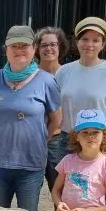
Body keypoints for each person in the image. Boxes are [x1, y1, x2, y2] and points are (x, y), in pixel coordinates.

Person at [0, 25, 61, 211]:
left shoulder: (46, 81)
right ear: (6, 49)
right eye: (14, 46)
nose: (19, 50)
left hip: (30, 164)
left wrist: (40, 139)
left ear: (34, 49)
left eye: (24, 45)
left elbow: (57, 120)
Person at [54, 16, 106, 160]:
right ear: (77, 42)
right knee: (63, 182)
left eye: (96, 40)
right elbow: (53, 106)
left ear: (103, 44)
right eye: (85, 39)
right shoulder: (64, 71)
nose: (90, 44)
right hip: (67, 140)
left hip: (97, 142)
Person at [52, 109, 106, 211]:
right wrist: (59, 204)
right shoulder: (67, 160)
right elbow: (56, 191)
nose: (90, 136)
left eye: (95, 132)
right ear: (77, 136)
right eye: (85, 132)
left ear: (104, 135)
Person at [34, 26, 70, 189]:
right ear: (37, 48)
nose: (49, 48)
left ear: (60, 46)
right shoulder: (30, 74)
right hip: (32, 138)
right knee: (30, 187)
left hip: (59, 139)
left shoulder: (69, 73)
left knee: (60, 188)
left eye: (53, 44)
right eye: (44, 45)